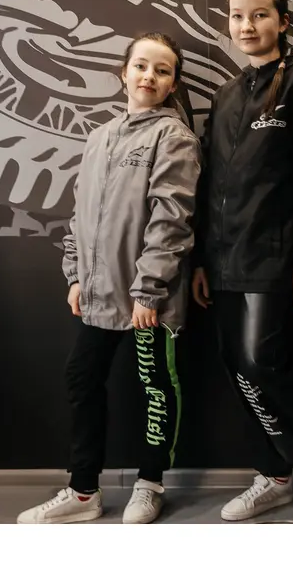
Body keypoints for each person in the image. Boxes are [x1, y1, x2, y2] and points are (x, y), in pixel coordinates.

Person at [17, 33, 201, 524]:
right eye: (141, 65)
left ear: (173, 84)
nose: (149, 76)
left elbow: (172, 219)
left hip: (147, 298)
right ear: (123, 72)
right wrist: (76, 275)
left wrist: (150, 290)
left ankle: (150, 484)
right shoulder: (100, 136)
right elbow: (81, 212)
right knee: (82, 378)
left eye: (162, 70)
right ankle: (83, 492)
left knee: (155, 388)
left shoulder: (174, 137)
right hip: (99, 291)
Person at [192, 0, 293, 524]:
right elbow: (212, 184)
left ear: (282, 21)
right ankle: (274, 475)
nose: (246, 25)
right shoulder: (226, 95)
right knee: (236, 364)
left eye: (259, 14)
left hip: (276, 258)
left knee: (263, 361)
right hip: (224, 260)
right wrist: (203, 260)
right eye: (237, 15)